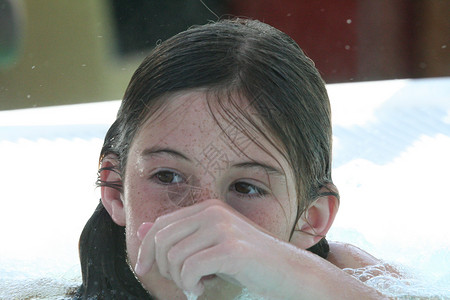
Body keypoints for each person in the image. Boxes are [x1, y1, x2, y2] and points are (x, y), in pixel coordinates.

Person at [76, 18, 387, 299]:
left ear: (311, 218)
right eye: (167, 176)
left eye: (245, 187)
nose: (207, 219)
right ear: (115, 191)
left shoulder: (353, 279)